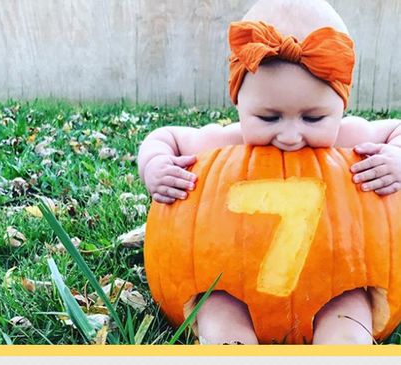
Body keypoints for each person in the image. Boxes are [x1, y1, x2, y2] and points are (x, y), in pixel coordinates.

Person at [138, 0, 401, 344]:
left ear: (342, 105)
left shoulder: (352, 138)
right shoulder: (223, 142)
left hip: (340, 280)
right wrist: (155, 164)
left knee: (349, 314)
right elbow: (164, 136)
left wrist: (396, 157)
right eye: (268, 117)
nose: (290, 136)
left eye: (313, 118)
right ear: (238, 103)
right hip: (234, 282)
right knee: (217, 306)